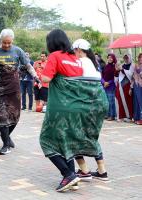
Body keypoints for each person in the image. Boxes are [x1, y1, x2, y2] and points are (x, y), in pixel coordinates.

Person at [39, 29, 108, 192]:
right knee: (66, 141)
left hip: (61, 107)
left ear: (52, 43)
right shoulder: (76, 58)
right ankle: (71, 177)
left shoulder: (55, 56)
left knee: (46, 141)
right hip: (79, 107)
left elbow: (46, 79)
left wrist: (41, 73)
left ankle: (68, 174)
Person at [0, 29, 39, 155]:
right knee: (2, 116)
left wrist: (36, 76)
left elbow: (28, 66)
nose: (6, 45)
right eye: (4, 43)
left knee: (15, 116)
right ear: (1, 41)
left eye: (9, 43)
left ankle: (6, 136)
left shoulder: (18, 51)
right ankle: (6, 145)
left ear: (12, 41)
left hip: (13, 86)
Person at [72, 39, 109, 182]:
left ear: (79, 50)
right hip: (100, 102)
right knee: (92, 135)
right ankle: (102, 171)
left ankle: (84, 170)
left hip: (87, 103)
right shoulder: (94, 64)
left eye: (74, 51)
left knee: (71, 135)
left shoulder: (80, 62)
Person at [115, 54, 134, 122]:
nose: (126, 59)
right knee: (120, 101)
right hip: (121, 85)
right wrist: (117, 70)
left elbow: (130, 74)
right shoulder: (122, 65)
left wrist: (122, 70)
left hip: (128, 85)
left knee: (129, 101)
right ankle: (121, 116)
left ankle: (129, 116)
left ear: (130, 58)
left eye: (127, 58)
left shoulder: (132, 65)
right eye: (125, 58)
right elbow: (117, 75)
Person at [101, 54, 117, 121]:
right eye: (108, 57)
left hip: (111, 86)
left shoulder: (114, 67)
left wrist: (108, 83)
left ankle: (112, 115)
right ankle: (107, 114)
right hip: (105, 86)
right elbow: (102, 76)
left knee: (111, 101)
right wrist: (104, 82)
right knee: (106, 101)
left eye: (111, 58)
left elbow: (115, 78)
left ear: (113, 59)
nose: (110, 59)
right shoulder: (105, 66)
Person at [130, 53, 142, 125]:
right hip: (136, 86)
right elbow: (132, 77)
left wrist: (140, 72)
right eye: (140, 57)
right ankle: (136, 118)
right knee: (136, 102)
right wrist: (131, 88)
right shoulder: (135, 66)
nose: (141, 59)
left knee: (141, 101)